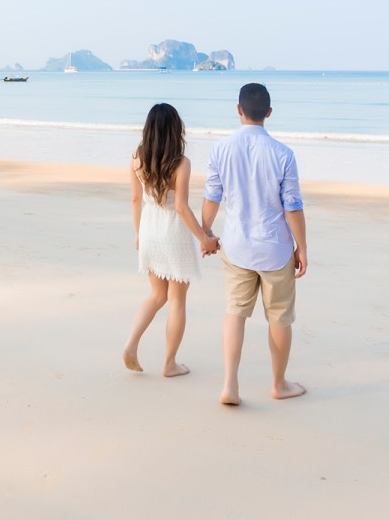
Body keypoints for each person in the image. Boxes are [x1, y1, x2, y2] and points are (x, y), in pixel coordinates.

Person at [201, 82, 308, 406]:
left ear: (238, 110)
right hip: (274, 248)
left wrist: (206, 233)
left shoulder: (220, 149)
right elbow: (292, 205)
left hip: (236, 247)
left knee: (235, 313)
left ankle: (230, 385)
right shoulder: (283, 154)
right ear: (269, 113)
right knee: (279, 317)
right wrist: (301, 247)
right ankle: (279, 384)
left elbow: (212, 197)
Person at [123, 103, 221, 377]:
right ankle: (169, 364)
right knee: (176, 300)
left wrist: (137, 233)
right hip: (173, 233)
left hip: (149, 229)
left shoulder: (136, 157)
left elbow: (134, 198)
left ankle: (130, 346)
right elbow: (180, 206)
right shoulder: (181, 163)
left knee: (157, 295)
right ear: (176, 130)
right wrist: (204, 238)